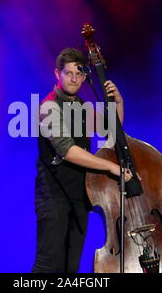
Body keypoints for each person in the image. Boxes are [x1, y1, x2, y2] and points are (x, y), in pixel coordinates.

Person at [32, 47, 132, 273]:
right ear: (57, 74)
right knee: (48, 265)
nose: (74, 79)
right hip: (53, 196)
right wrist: (111, 167)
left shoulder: (83, 108)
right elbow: (67, 150)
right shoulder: (49, 106)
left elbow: (111, 132)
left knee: (71, 266)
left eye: (79, 74)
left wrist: (119, 104)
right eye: (68, 73)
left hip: (80, 196)